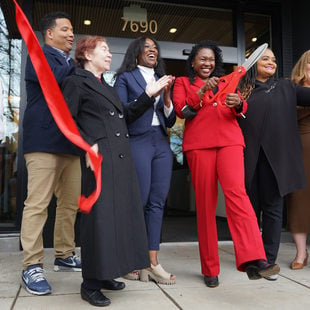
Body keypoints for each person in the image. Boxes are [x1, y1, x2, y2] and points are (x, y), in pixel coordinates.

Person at [172, 39, 279, 288]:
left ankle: (255, 260)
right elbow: (182, 110)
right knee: (206, 206)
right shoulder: (183, 82)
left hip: (230, 141)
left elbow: (240, 108)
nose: (207, 63)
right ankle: (210, 268)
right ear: (193, 62)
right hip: (199, 145)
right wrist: (201, 92)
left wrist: (238, 104)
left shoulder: (228, 81)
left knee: (238, 195)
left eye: (211, 59)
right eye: (202, 59)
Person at [61, 35, 154, 307]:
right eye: (104, 49)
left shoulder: (107, 85)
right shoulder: (76, 82)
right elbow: (65, 122)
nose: (109, 54)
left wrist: (149, 95)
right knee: (99, 221)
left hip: (120, 159)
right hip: (99, 159)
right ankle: (90, 283)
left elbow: (124, 115)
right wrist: (87, 148)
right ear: (87, 54)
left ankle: (106, 274)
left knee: (119, 218)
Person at [21, 12, 81, 296]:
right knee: (37, 204)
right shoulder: (38, 55)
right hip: (43, 141)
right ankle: (31, 265)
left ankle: (64, 254)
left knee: (70, 204)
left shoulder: (70, 63)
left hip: (69, 145)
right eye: (66, 29)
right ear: (49, 34)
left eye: (72, 30)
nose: (72, 34)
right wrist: (78, 63)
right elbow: (51, 80)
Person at [238, 48, 310, 279]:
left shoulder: (286, 87)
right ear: (253, 64)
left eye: (274, 60)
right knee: (249, 211)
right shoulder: (241, 90)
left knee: (272, 210)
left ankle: (268, 261)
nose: (271, 62)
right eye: (265, 58)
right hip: (248, 158)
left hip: (276, 160)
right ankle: (251, 259)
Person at [114, 36, 177, 285]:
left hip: (160, 142)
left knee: (157, 202)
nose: (152, 50)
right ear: (136, 52)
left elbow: (170, 121)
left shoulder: (162, 78)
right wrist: (150, 94)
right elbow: (122, 112)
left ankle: (151, 262)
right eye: (147, 47)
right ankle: (130, 259)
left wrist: (168, 98)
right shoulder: (126, 78)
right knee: (138, 201)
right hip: (138, 140)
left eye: (155, 48)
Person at [285, 50, 310, 270]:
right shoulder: (290, 88)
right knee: (300, 199)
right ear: (304, 66)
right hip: (301, 147)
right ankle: (301, 253)